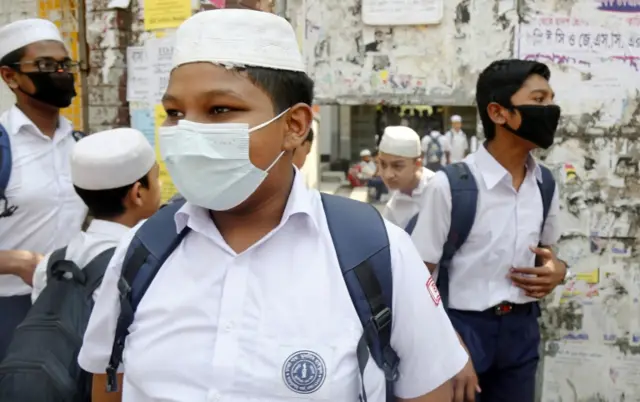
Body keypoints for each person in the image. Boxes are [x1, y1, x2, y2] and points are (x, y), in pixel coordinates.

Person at [79, 9, 467, 402]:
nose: (189, 131)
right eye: (176, 113)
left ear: (294, 126)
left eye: (219, 110)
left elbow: (428, 390)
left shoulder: (377, 251)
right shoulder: (142, 251)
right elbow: (109, 382)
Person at [411, 59, 570, 402]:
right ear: (499, 113)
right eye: (539, 100)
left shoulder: (544, 184)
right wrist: (451, 348)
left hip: (521, 331)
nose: (551, 110)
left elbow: (549, 255)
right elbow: (417, 280)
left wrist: (558, 272)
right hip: (462, 329)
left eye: (551, 100)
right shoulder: (449, 187)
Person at [0, 18, 87, 359]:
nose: (61, 73)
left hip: (70, 302)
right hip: (9, 307)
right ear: (10, 76)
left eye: (66, 65)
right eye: (46, 65)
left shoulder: (80, 145)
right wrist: (15, 262)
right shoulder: (4, 146)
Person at [31, 128, 162, 303]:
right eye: (156, 177)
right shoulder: (144, 266)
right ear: (138, 193)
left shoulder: (50, 265)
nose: (160, 185)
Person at [377, 126, 434, 229]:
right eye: (383, 164)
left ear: (417, 164)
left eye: (397, 166)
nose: (388, 174)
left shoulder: (438, 190)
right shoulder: (391, 210)